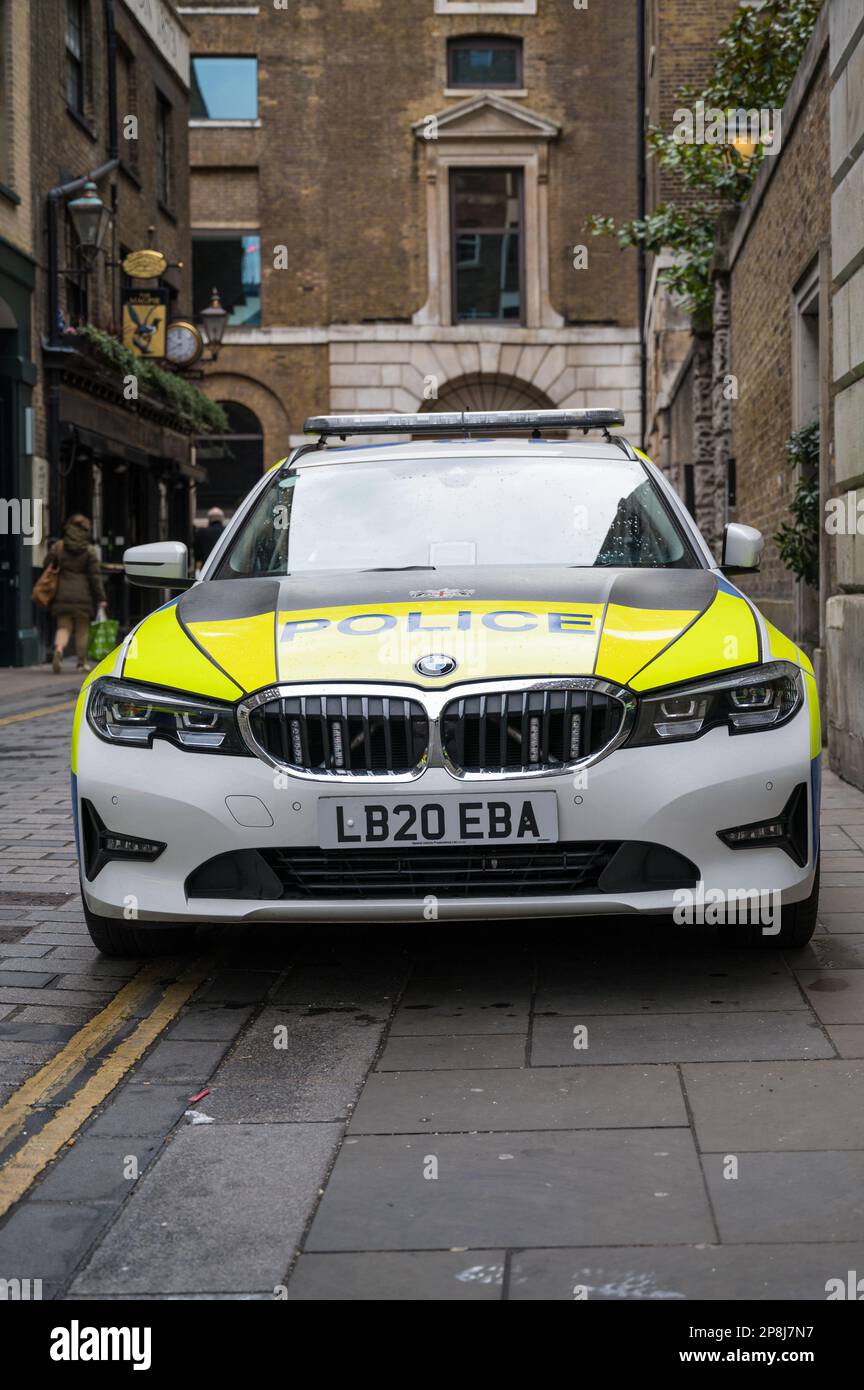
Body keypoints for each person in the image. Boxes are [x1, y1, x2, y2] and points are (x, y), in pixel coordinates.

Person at [47, 514, 107, 674]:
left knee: (63, 627)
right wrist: (101, 597)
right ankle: (81, 663)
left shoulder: (59, 546)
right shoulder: (89, 550)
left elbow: (48, 564)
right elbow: (95, 576)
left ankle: (59, 649)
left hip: (62, 592)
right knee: (82, 629)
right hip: (83, 594)